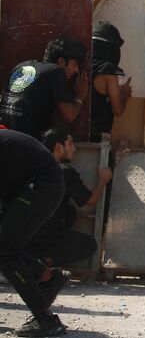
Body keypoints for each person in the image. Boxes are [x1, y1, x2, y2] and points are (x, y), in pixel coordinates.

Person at [0, 128, 69, 337]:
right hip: (38, 184)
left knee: (4, 251)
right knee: (4, 246)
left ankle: (47, 321)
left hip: (41, 184)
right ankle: (47, 277)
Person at [24, 128, 111, 268]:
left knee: (70, 212)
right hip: (45, 235)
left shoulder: (33, 167)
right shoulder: (63, 171)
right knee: (89, 245)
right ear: (59, 147)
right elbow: (91, 201)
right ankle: (43, 264)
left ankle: (31, 258)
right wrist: (103, 180)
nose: (74, 149)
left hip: (24, 235)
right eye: (70, 144)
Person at [0, 37, 89, 139]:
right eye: (74, 64)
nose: (76, 70)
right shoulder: (56, 72)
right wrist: (80, 96)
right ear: (61, 61)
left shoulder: (22, 66)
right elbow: (69, 116)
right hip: (24, 141)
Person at [90, 22, 132, 142]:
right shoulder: (108, 73)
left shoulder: (80, 66)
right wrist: (123, 93)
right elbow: (117, 111)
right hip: (98, 137)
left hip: (74, 137)